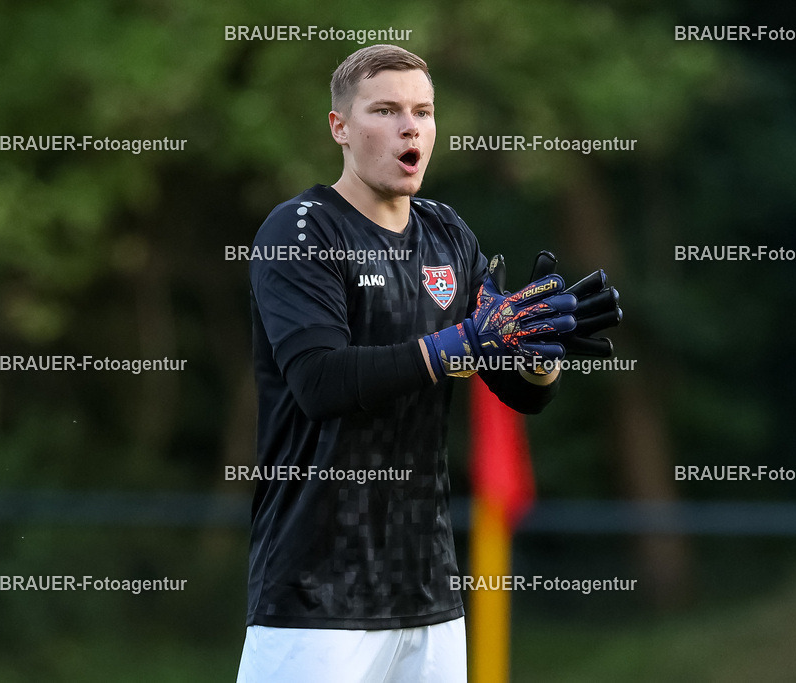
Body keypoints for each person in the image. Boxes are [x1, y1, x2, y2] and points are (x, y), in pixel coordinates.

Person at [237, 43, 620, 682]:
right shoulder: (302, 230)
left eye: (422, 111)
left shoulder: (447, 233)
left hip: (429, 597)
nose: (409, 127)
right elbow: (320, 381)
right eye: (385, 110)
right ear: (339, 127)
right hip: (314, 597)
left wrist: (538, 352)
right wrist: (464, 342)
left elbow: (521, 392)